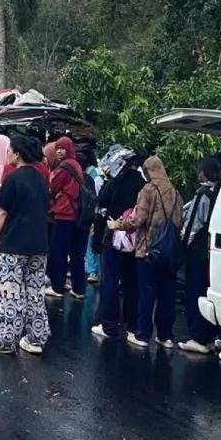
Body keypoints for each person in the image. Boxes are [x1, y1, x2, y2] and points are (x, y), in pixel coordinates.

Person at [0, 135, 51, 355]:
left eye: (10, 150)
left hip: (15, 243)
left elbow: (2, 212)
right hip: (39, 243)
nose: (7, 153)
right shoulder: (42, 178)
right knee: (34, 292)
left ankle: (6, 339)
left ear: (18, 154)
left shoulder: (12, 178)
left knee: (11, 292)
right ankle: (36, 338)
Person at [108, 155, 183, 348]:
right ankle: (165, 336)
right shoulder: (175, 192)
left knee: (146, 292)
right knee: (167, 294)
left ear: (148, 171)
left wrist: (117, 225)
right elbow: (179, 221)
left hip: (148, 250)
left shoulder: (148, 190)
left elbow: (137, 219)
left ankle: (142, 334)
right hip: (170, 252)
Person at [91, 150, 144, 339]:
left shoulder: (117, 181)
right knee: (130, 282)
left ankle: (108, 324)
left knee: (110, 281)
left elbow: (102, 200)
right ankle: (131, 323)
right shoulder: (142, 184)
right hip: (133, 238)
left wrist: (108, 179)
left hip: (113, 235)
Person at [178, 157, 221, 354]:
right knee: (206, 292)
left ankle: (197, 336)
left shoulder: (203, 194)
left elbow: (193, 225)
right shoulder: (219, 193)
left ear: (204, 173)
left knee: (193, 292)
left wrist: (182, 244)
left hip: (197, 251)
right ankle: (210, 335)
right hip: (212, 252)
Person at [46, 135, 87, 298]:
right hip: (76, 214)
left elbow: (53, 186)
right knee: (76, 253)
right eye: (57, 148)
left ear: (68, 149)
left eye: (62, 148)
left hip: (64, 213)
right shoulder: (76, 164)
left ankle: (57, 286)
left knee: (59, 251)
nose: (59, 151)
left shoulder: (64, 166)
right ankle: (79, 289)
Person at [78, 148, 102, 284]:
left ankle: (93, 270)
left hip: (91, 214)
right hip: (91, 213)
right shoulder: (94, 175)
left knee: (91, 242)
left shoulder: (93, 177)